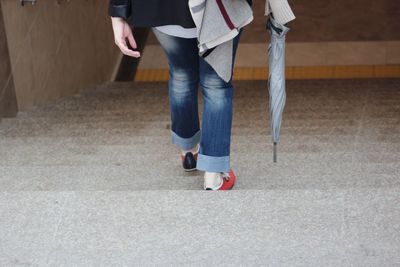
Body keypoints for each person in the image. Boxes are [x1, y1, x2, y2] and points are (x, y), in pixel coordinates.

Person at [109, 0, 252, 190]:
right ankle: (213, 174)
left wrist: (117, 13)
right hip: (218, 8)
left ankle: (189, 151)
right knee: (215, 84)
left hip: (162, 11)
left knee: (181, 75)